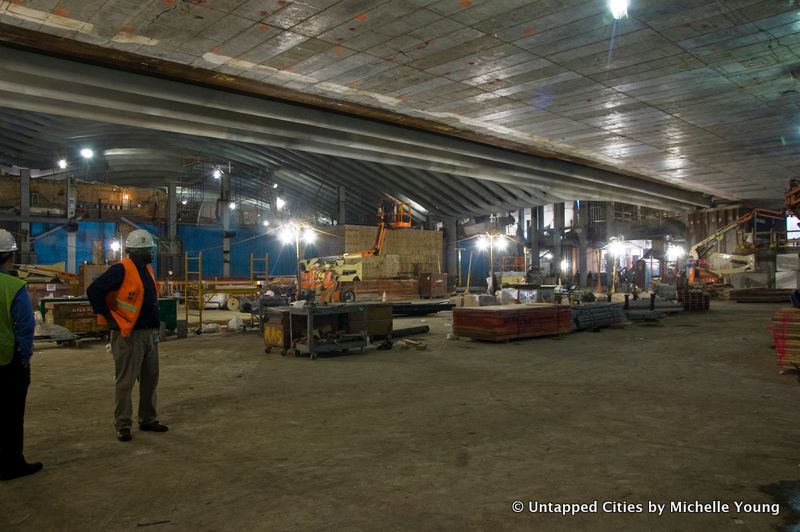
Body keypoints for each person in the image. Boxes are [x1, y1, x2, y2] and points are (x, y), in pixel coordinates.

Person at [87, 229, 168, 442]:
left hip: (149, 334)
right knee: (126, 382)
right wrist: (109, 318)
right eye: (149, 250)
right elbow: (94, 291)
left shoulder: (146, 269)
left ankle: (148, 419)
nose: (152, 253)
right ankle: (123, 424)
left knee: (150, 379)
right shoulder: (121, 270)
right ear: (137, 252)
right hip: (128, 335)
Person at [0, 229, 42, 481]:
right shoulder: (14, 287)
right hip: (8, 361)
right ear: (9, 257)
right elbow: (26, 328)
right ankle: (12, 464)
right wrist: (25, 358)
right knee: (11, 415)